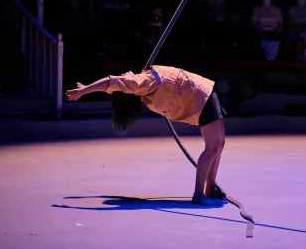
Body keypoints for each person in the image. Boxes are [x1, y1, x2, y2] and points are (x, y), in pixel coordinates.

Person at [66, 65, 227, 206]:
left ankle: (209, 189)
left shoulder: (144, 82)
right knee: (213, 146)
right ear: (128, 91)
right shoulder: (140, 83)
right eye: (124, 78)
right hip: (200, 96)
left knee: (219, 144)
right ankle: (199, 194)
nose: (124, 73)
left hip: (202, 92)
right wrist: (84, 90)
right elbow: (111, 82)